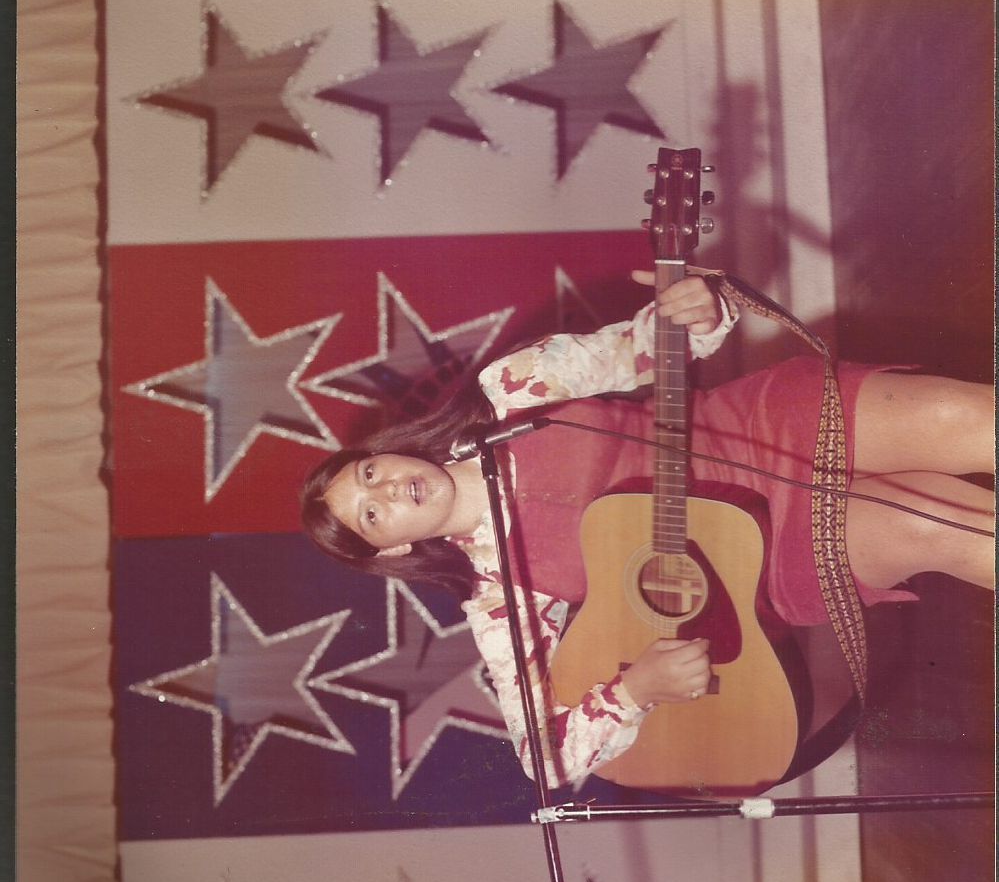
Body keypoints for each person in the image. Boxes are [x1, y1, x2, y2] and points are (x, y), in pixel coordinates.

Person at [301, 273, 994, 786]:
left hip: (753, 427)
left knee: (973, 422)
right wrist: (633, 692)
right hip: (764, 556)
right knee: (930, 522)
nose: (387, 490)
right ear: (394, 548)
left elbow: (644, 347)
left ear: (383, 450)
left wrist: (696, 310)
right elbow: (545, 758)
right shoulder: (498, 596)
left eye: (369, 473)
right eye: (372, 514)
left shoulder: (510, 389)